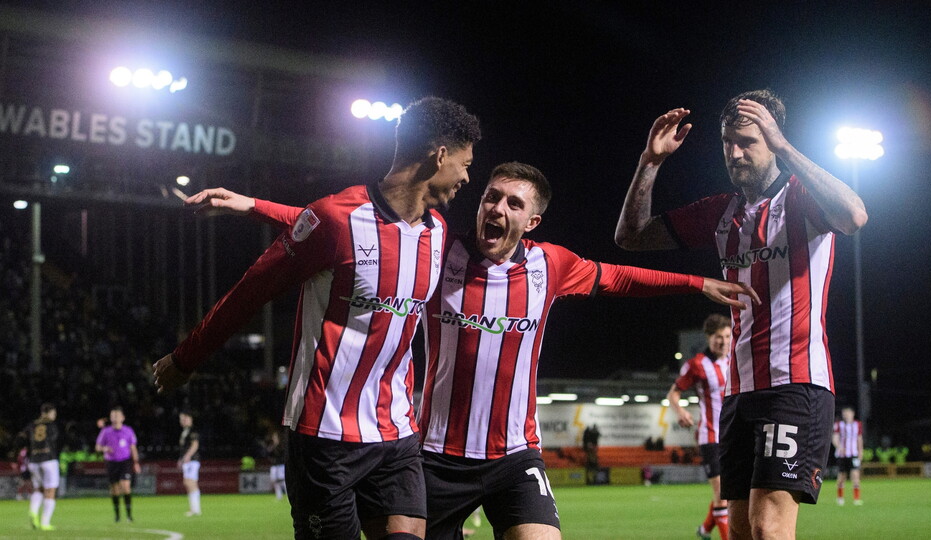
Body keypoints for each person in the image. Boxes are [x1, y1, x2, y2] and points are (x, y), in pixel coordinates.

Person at [211, 161, 759, 539]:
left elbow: (619, 276)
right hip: (432, 457)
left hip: (515, 456)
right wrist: (252, 205)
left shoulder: (551, 266)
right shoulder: (438, 249)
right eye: (491, 196)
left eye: (512, 203)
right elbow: (342, 228)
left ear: (531, 220)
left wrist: (694, 284)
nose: (496, 207)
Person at [153, 96, 481, 540]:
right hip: (325, 434)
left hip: (398, 432)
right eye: (464, 163)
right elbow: (251, 291)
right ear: (438, 156)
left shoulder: (438, 233)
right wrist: (186, 359)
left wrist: (254, 205)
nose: (466, 177)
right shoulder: (336, 218)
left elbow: (320, 228)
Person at [615, 89, 868, 539]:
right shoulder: (721, 212)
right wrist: (649, 163)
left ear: (772, 139)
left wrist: (788, 148)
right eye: (727, 141)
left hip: (795, 384)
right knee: (742, 530)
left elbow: (853, 215)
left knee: (771, 528)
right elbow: (630, 236)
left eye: (748, 141)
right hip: (739, 394)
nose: (734, 152)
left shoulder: (802, 198)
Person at [666, 314, 732, 540]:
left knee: (729, 493)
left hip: (734, 435)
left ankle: (705, 530)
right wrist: (680, 411)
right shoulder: (696, 365)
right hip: (710, 436)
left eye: (726, 336)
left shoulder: (735, 359)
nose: (723, 342)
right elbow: (673, 394)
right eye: (717, 338)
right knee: (722, 494)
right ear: (708, 337)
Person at [16, 403, 60, 531]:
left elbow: (20, 438)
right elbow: (55, 439)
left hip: (34, 460)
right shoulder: (51, 425)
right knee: (50, 491)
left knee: (38, 489)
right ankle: (45, 523)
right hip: (49, 460)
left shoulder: (32, 425)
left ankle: (33, 511)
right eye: (53, 413)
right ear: (50, 413)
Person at [95, 406, 141, 523]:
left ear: (122, 418)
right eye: (113, 416)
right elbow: (98, 447)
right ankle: (117, 516)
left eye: (117, 416)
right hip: (111, 463)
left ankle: (129, 516)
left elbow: (133, 448)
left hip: (125, 461)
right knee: (114, 490)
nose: (115, 418)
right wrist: (105, 448)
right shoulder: (105, 431)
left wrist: (136, 462)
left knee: (125, 486)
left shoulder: (128, 431)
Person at [832, 406, 863, 506]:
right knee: (842, 477)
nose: (846, 415)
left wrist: (860, 451)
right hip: (842, 455)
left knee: (855, 476)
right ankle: (840, 498)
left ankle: (856, 499)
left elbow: (859, 439)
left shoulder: (857, 425)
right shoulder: (838, 425)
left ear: (852, 414)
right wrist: (839, 447)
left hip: (853, 454)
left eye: (848, 413)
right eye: (844, 413)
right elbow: (835, 438)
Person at [178, 411, 202, 516]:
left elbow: (195, 445)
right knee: (188, 483)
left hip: (192, 460)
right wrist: (181, 459)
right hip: (187, 460)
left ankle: (196, 509)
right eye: (181, 419)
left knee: (191, 482)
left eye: (185, 418)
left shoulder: (192, 431)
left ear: (190, 419)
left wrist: (187, 456)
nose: (183, 421)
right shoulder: (185, 431)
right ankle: (194, 508)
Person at [265, 429, 287, 500]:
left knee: (283, 480)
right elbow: (267, 453)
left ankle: (288, 495)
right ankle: (279, 495)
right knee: (274, 480)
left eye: (275, 436)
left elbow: (282, 453)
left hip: (281, 465)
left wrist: (277, 445)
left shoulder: (281, 445)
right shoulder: (272, 446)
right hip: (274, 465)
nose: (273, 438)